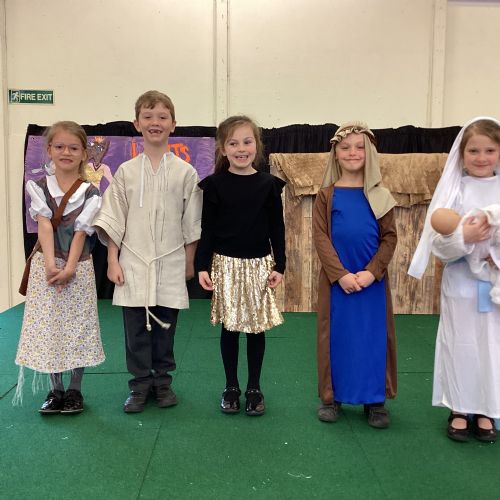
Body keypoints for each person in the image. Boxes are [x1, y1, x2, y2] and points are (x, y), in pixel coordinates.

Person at [93, 90, 202, 413]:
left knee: (166, 328)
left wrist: (189, 261)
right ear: (137, 123)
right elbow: (114, 219)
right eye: (148, 116)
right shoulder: (126, 171)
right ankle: (140, 386)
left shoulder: (186, 173)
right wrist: (112, 260)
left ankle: (163, 383)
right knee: (136, 331)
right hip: (133, 262)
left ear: (173, 124)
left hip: (170, 261)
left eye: (162, 117)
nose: (155, 122)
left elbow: (192, 222)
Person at [409, 117, 500, 443]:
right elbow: (438, 244)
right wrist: (465, 237)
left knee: (492, 345)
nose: (481, 157)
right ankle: (460, 407)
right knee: (461, 343)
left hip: (495, 283)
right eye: (473, 151)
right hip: (461, 283)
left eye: (489, 150)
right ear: (461, 154)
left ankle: (488, 408)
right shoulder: (454, 191)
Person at [195, 115, 286, 416]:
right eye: (233, 143)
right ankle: (231, 386)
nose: (241, 149)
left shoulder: (269, 185)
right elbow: (207, 229)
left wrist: (280, 265)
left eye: (247, 142)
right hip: (225, 265)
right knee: (230, 327)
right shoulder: (214, 185)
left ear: (257, 146)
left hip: (260, 265)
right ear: (223, 149)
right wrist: (202, 265)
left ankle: (254, 388)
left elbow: (277, 228)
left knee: (256, 329)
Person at [15, 121, 105, 414]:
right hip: (47, 265)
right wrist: (52, 266)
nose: (66, 152)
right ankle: (55, 390)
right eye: (60, 146)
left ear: (84, 153)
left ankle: (75, 390)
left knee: (78, 326)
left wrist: (69, 268)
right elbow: (44, 225)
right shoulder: (38, 187)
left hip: (79, 266)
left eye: (74, 148)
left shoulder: (91, 193)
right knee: (51, 327)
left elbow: (81, 232)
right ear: (49, 150)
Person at [312, 122, 397, 428]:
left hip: (372, 284)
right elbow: (321, 237)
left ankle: (374, 400)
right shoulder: (327, 196)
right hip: (338, 283)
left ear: (370, 152)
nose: (352, 153)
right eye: (345, 147)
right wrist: (341, 275)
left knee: (373, 338)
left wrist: (372, 273)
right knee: (337, 338)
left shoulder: (380, 196)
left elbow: (389, 238)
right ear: (335, 154)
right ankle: (332, 397)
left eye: (360, 147)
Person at [431, 206, 500, 304]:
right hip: (464, 286)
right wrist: (462, 236)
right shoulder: (451, 197)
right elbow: (437, 247)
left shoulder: (473, 215)